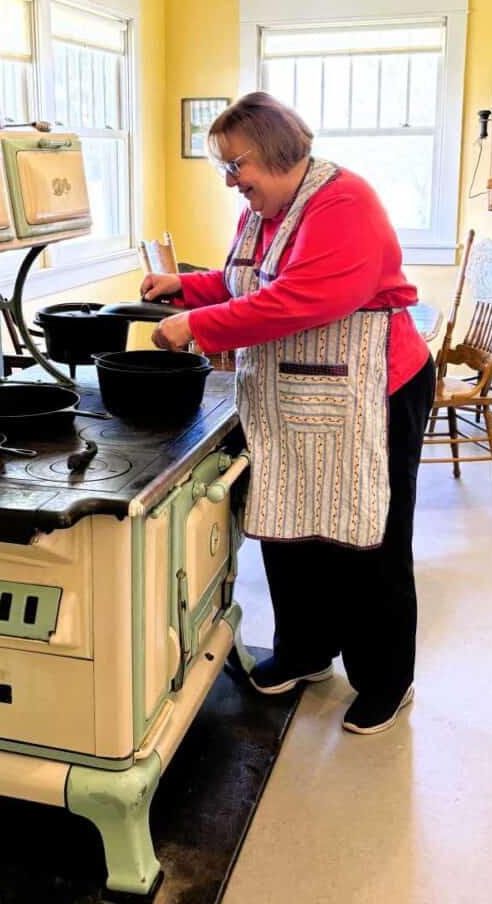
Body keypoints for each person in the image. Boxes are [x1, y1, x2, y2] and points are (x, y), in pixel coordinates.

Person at [143, 92, 436, 735]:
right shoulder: (266, 209)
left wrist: (195, 326)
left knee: (367, 538)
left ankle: (387, 680)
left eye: (235, 165)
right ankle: (306, 652)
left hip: (373, 392)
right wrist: (186, 288)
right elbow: (245, 280)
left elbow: (302, 299)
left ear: (274, 152)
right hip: (291, 397)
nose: (230, 181)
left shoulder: (344, 202)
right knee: (288, 523)